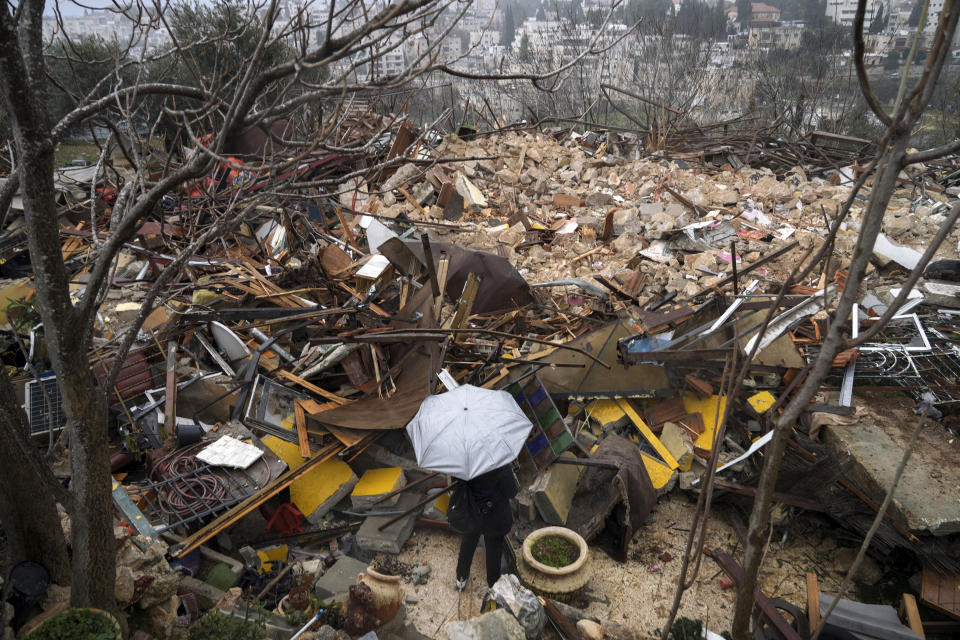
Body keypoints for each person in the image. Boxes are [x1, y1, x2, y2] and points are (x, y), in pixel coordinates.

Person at [454, 464, 519, 591]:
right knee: (494, 552)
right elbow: (512, 491)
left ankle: (461, 579)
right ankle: (493, 587)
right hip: (495, 516)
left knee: (468, 542)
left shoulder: (466, 462)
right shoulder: (499, 462)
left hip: (473, 511)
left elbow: (460, 485)